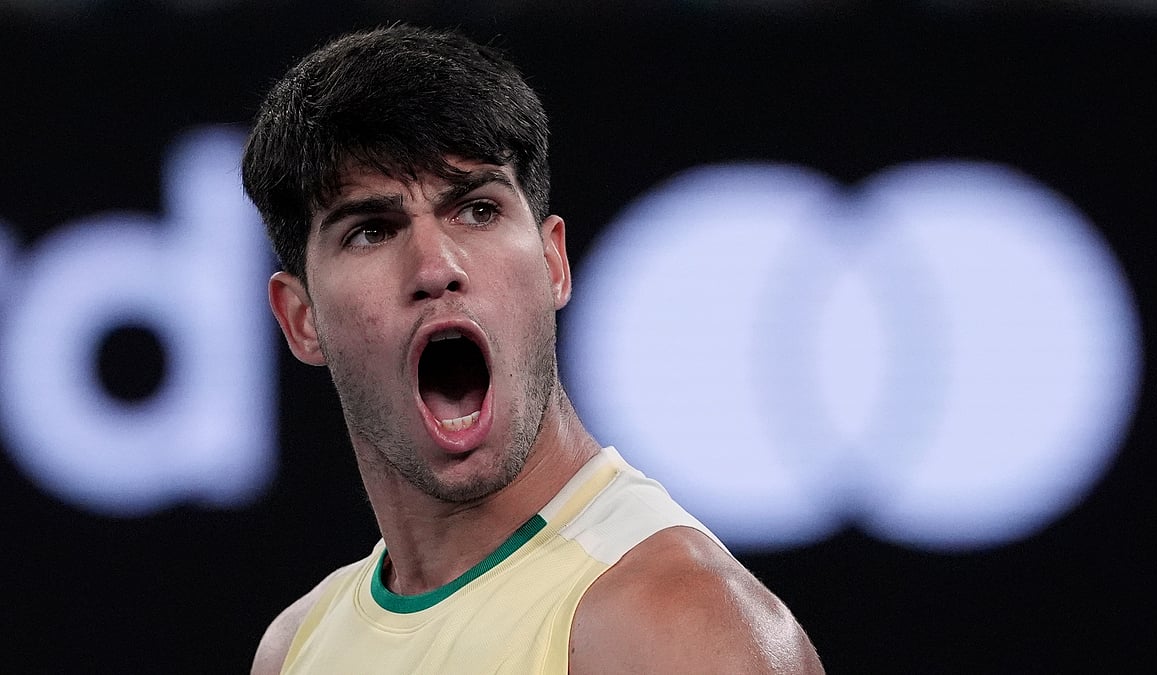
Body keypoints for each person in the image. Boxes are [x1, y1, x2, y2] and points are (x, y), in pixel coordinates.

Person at [241, 23, 824, 674]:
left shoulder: (673, 622)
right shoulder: (295, 647)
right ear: (301, 319)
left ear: (553, 262)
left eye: (477, 210)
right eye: (373, 230)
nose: (436, 266)